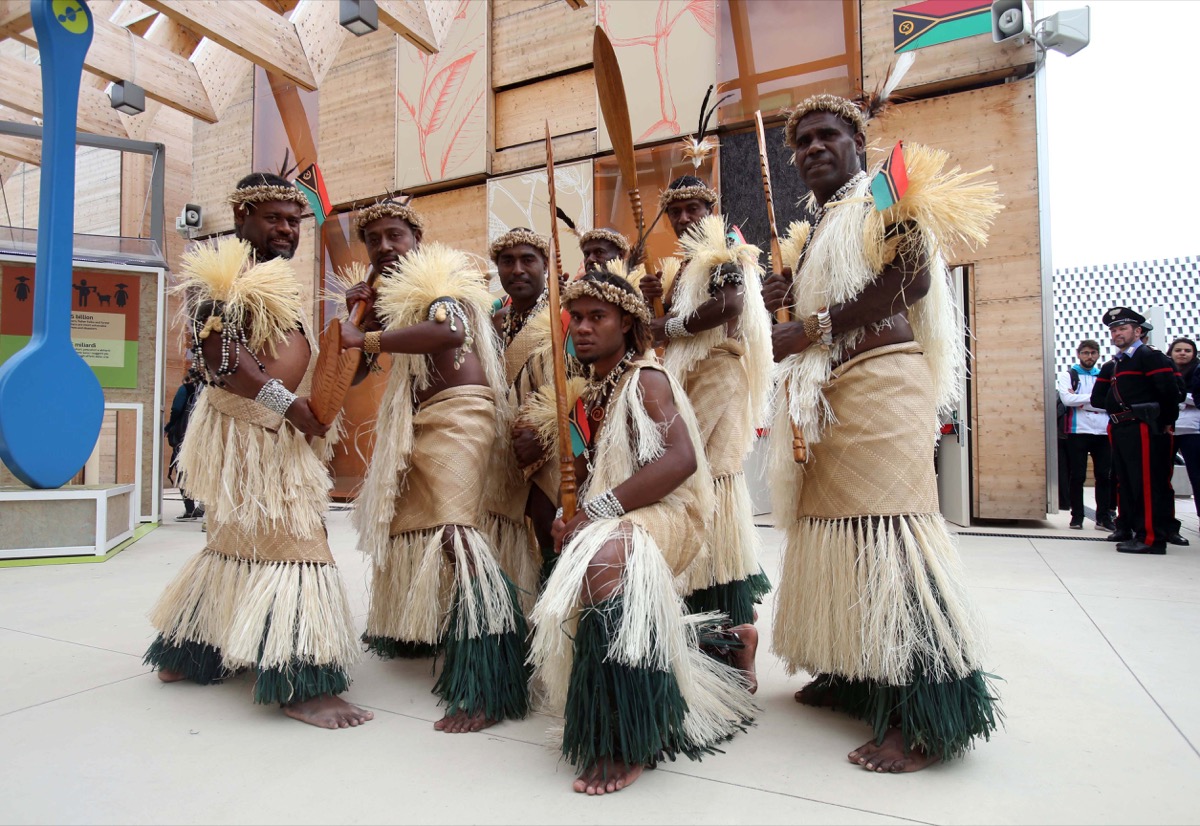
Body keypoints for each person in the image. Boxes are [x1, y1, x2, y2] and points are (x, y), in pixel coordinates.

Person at [761, 93, 1002, 772]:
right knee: (838, 537)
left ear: (856, 140)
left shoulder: (888, 193)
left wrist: (807, 326)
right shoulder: (816, 232)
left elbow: (913, 280)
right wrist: (789, 300)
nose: (812, 148)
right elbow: (829, 300)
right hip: (828, 397)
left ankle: (924, 717)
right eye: (801, 140)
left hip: (883, 386)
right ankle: (856, 671)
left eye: (826, 135)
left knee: (893, 539)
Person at [144, 172, 372, 729]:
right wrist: (290, 408)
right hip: (251, 432)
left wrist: (350, 325)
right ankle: (300, 683)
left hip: (267, 434)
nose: (288, 229)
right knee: (294, 541)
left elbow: (297, 361)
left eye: (294, 221)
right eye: (274, 218)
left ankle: (193, 652)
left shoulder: (271, 281)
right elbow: (222, 357)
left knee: (236, 539)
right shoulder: (221, 274)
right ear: (243, 216)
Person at [526, 271, 755, 795]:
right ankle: (722, 646)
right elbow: (589, 480)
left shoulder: (647, 379)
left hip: (672, 513)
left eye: (596, 317)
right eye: (575, 318)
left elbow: (680, 460)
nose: (582, 328)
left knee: (604, 559)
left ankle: (626, 738)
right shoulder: (590, 395)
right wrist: (573, 516)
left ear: (626, 324)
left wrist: (599, 511)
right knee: (590, 550)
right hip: (624, 514)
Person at [339, 200, 531, 734]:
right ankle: (417, 629)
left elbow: (448, 333)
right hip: (419, 419)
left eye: (393, 234)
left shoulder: (438, 274)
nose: (382, 246)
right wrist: (356, 318)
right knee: (415, 528)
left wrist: (371, 335)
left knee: (455, 535)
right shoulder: (388, 299)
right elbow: (352, 374)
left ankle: (493, 674)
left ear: (416, 236)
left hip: (462, 416)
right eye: (372, 239)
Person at [638, 176, 773, 684]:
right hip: (690, 377)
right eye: (677, 210)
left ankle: (738, 630)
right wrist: (657, 303)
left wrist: (663, 326)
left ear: (711, 209)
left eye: (695, 207)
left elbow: (729, 307)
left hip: (718, 374)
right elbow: (678, 323)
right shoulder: (685, 266)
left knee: (712, 485)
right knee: (696, 486)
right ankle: (722, 628)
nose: (686, 217)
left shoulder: (724, 249)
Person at [1091, 308, 1187, 554]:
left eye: (1122, 328)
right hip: (1122, 425)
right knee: (1126, 480)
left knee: (1146, 482)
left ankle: (1151, 537)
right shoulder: (1117, 363)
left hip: (1143, 425)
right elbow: (1098, 398)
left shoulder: (1149, 356)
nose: (1117, 333)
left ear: (1138, 331)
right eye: (1113, 330)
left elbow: (1169, 391)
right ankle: (1131, 527)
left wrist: (1167, 421)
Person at [1057, 340, 1113, 530]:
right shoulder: (1069, 375)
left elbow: (1110, 402)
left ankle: (1103, 517)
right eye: (1086, 353)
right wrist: (1095, 399)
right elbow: (1067, 399)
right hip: (1077, 430)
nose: (1089, 357)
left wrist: (1082, 401)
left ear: (1098, 354)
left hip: (1103, 431)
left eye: (1093, 353)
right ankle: (1077, 516)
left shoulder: (1105, 375)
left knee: (1104, 475)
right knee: (1077, 475)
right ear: (1079, 354)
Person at [164, 363, 204, 521]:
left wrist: (168, 427)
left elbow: (176, 410)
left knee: (182, 473)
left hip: (185, 439)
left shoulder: (185, 389)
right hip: (204, 440)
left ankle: (189, 510)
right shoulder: (209, 391)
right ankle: (203, 507)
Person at [1170, 337, 1200, 520]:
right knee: (1162, 476)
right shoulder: (1165, 371)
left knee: (1197, 477)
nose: (1182, 353)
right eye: (1178, 350)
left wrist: (1180, 398)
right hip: (1169, 428)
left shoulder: (1197, 371)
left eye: (1187, 350)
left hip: (1193, 430)